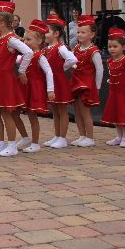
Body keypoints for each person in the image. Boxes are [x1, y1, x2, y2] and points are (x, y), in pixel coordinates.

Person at [0, 2, 33, 157]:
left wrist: (21, 70)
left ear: (2, 23)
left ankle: (12, 145)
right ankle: (0, 143)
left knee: (6, 112)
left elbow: (28, 52)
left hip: (4, 79)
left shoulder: (11, 39)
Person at [11, 19, 55, 154]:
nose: (25, 42)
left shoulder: (40, 56)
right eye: (24, 39)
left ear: (39, 41)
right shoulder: (24, 55)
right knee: (14, 113)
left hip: (34, 87)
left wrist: (50, 90)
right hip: (23, 87)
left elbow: (49, 71)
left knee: (32, 115)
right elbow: (14, 60)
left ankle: (35, 143)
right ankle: (25, 137)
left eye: (29, 40)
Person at [42, 15, 78, 149]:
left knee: (62, 110)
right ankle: (57, 136)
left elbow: (72, 59)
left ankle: (62, 137)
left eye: (47, 32)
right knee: (55, 110)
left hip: (59, 81)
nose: (45, 34)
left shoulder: (60, 48)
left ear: (56, 33)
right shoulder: (47, 48)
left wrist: (62, 68)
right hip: (51, 81)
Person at [70, 14, 103, 148]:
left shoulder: (94, 51)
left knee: (85, 111)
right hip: (76, 82)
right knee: (77, 111)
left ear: (92, 34)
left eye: (83, 32)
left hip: (86, 84)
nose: (79, 35)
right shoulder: (76, 48)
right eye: (78, 32)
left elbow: (100, 70)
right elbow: (72, 61)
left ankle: (90, 137)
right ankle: (82, 135)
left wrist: (97, 87)